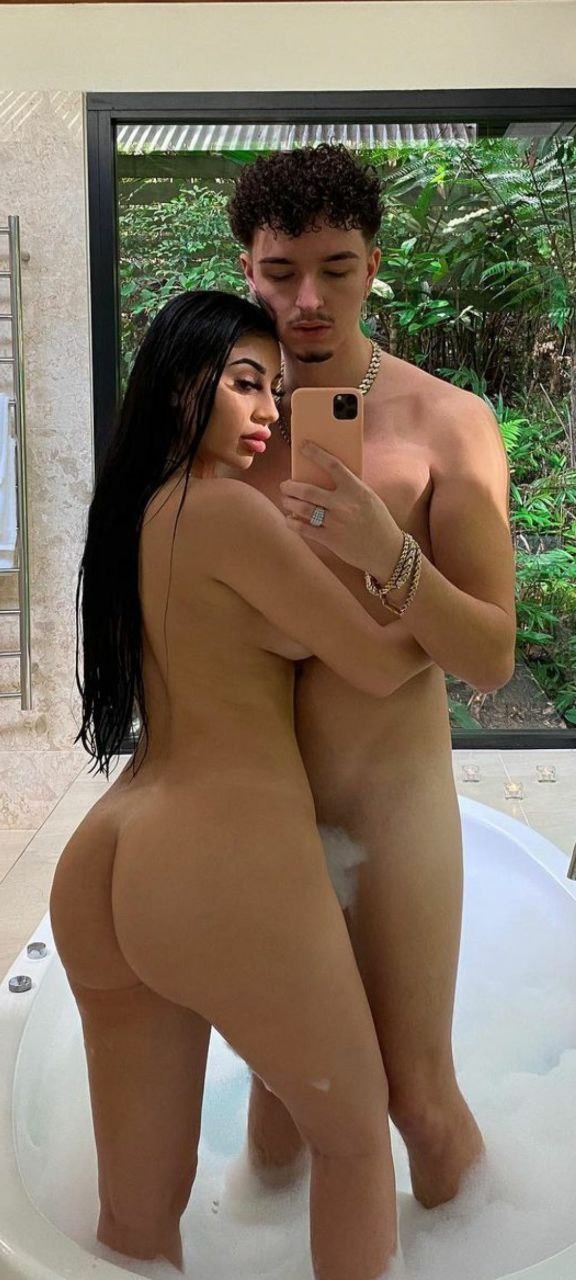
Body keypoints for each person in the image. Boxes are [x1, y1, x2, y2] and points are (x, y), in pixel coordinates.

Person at [49, 289, 433, 1277]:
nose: (267, 410)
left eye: (276, 389)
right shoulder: (225, 508)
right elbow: (379, 663)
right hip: (220, 858)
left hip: (110, 855)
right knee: (354, 1140)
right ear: (182, 385)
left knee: (137, 1219)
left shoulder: (140, 511)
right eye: (245, 383)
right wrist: (401, 565)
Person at [227, 144, 517, 1207]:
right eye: (281, 270)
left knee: (415, 1095)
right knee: (277, 1093)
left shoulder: (447, 422)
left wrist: (385, 552)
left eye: (337, 268)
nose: (308, 299)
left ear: (375, 265)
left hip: (392, 806)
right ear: (247, 269)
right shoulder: (215, 421)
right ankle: (254, 1249)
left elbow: (490, 656)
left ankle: (483, 1252)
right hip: (258, 804)